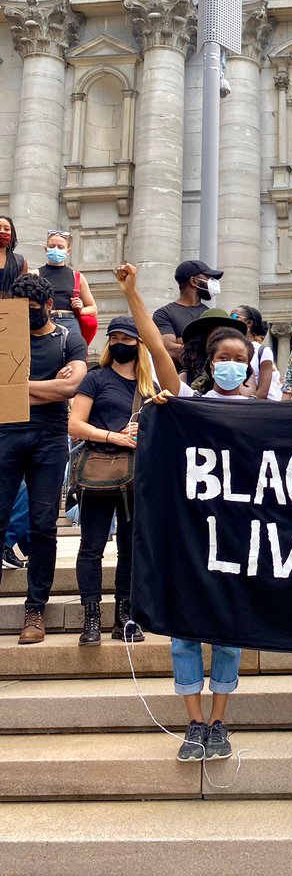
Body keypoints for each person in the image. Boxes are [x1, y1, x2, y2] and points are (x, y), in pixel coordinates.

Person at [116, 263, 249, 762]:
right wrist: (131, 295)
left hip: (240, 541)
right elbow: (153, 345)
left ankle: (220, 721)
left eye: (240, 358)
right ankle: (193, 722)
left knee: (230, 634)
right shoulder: (190, 402)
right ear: (211, 364)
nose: (231, 365)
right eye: (223, 358)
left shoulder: (270, 414)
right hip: (193, 538)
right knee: (185, 632)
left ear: (251, 364)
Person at [0, 274, 88, 643]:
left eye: (33, 311)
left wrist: (14, 387)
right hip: (5, 434)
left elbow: (70, 387)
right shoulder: (5, 334)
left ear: (49, 306)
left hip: (49, 439)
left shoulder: (69, 338)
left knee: (42, 525)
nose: (27, 316)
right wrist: (46, 389)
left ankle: (35, 608)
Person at [67, 316, 157, 645]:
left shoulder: (150, 388)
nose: (120, 342)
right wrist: (112, 436)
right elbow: (74, 425)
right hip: (98, 470)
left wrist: (144, 430)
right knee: (91, 547)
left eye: (127, 337)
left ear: (138, 343)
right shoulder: (96, 379)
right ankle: (91, 617)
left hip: (137, 474)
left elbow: (164, 430)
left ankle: (125, 615)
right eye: (114, 336)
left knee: (130, 549)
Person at [152, 260, 224, 365]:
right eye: (208, 278)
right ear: (193, 281)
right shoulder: (164, 313)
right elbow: (168, 349)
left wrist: (182, 342)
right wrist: (206, 348)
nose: (213, 283)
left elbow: (221, 347)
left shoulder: (210, 314)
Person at [39, 230, 97, 346]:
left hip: (69, 321)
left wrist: (81, 309)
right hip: (44, 321)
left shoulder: (77, 277)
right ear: (46, 249)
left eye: (60, 247)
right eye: (52, 246)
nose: (55, 249)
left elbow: (93, 308)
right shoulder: (35, 274)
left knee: (74, 357)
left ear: (68, 251)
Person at [179, 308, 249, 392]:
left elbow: (247, 393)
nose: (219, 340)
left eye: (224, 334)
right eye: (214, 335)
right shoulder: (186, 376)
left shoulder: (240, 369)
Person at [231, 305, 283, 400]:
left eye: (234, 316)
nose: (230, 320)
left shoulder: (263, 352)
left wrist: (245, 405)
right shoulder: (228, 348)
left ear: (249, 323)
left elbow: (263, 392)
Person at [0, 215, 27, 298]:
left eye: (7, 229)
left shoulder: (20, 261)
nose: (2, 231)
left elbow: (23, 290)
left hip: (10, 307)